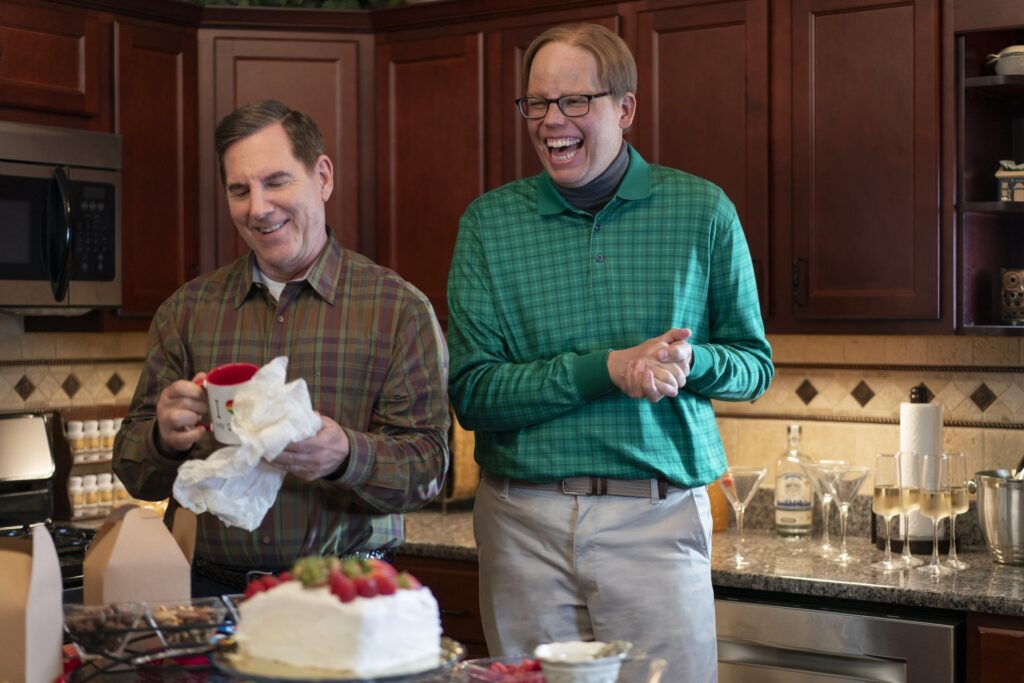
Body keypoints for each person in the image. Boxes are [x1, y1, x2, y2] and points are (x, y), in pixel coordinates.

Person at [446, 23, 773, 680]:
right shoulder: (489, 223)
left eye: (574, 102)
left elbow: (753, 366)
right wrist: (609, 368)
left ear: (624, 108)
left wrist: (692, 364)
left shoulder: (702, 210)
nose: (550, 121)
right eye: (535, 103)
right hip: (520, 525)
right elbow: (473, 392)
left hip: (656, 519)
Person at [114, 99, 450, 597]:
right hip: (209, 596)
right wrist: (163, 439)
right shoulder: (186, 311)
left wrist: (345, 456)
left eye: (276, 181)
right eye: (239, 190)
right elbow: (133, 471)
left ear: (323, 177)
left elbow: (427, 467)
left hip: (346, 596)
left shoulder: (397, 309)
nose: (258, 207)